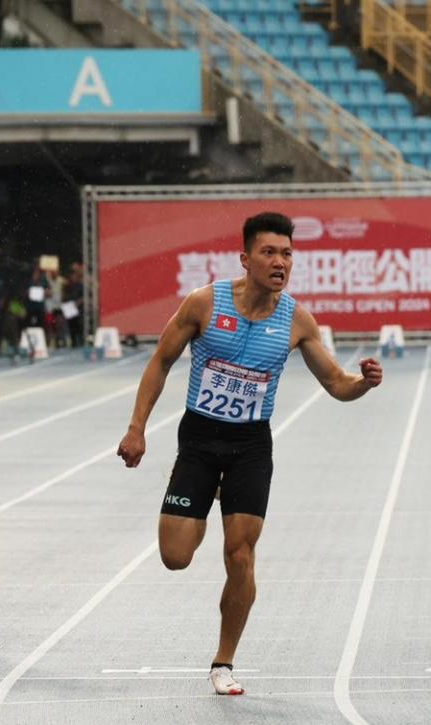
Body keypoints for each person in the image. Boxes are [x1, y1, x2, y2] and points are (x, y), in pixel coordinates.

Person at [117, 212, 383, 695]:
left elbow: (337, 384)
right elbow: (160, 362)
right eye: (269, 253)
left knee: (240, 554)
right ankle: (200, 497)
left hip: (250, 447)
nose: (280, 262)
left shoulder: (297, 320)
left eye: (286, 254)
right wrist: (137, 429)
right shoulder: (204, 304)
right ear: (246, 258)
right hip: (198, 441)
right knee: (175, 556)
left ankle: (224, 662)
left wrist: (363, 382)